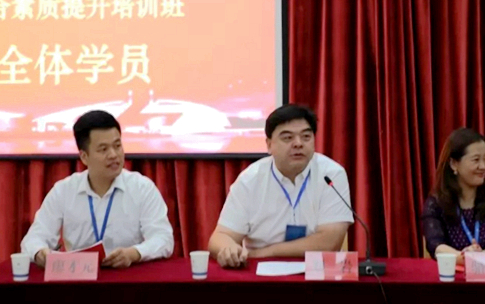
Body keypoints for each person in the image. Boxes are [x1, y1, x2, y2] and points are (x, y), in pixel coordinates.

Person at [21, 110, 174, 268]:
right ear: (84, 157)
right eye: (103, 149)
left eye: (117, 146)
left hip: (128, 275)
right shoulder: (64, 191)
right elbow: (33, 239)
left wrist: (134, 253)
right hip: (78, 277)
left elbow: (163, 238)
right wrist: (40, 253)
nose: (113, 155)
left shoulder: (142, 188)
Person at [208, 104, 354, 268]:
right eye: (287, 138)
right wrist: (228, 248)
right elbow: (220, 237)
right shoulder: (250, 180)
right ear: (269, 145)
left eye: (306, 137)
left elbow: (329, 242)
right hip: (262, 274)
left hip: (319, 270)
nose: (298, 143)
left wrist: (264, 253)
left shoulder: (331, 174)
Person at [421, 128, 485, 264]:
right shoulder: (436, 203)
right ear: (454, 164)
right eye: (476, 160)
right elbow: (435, 245)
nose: (483, 166)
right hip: (453, 273)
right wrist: (464, 257)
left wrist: (484, 257)